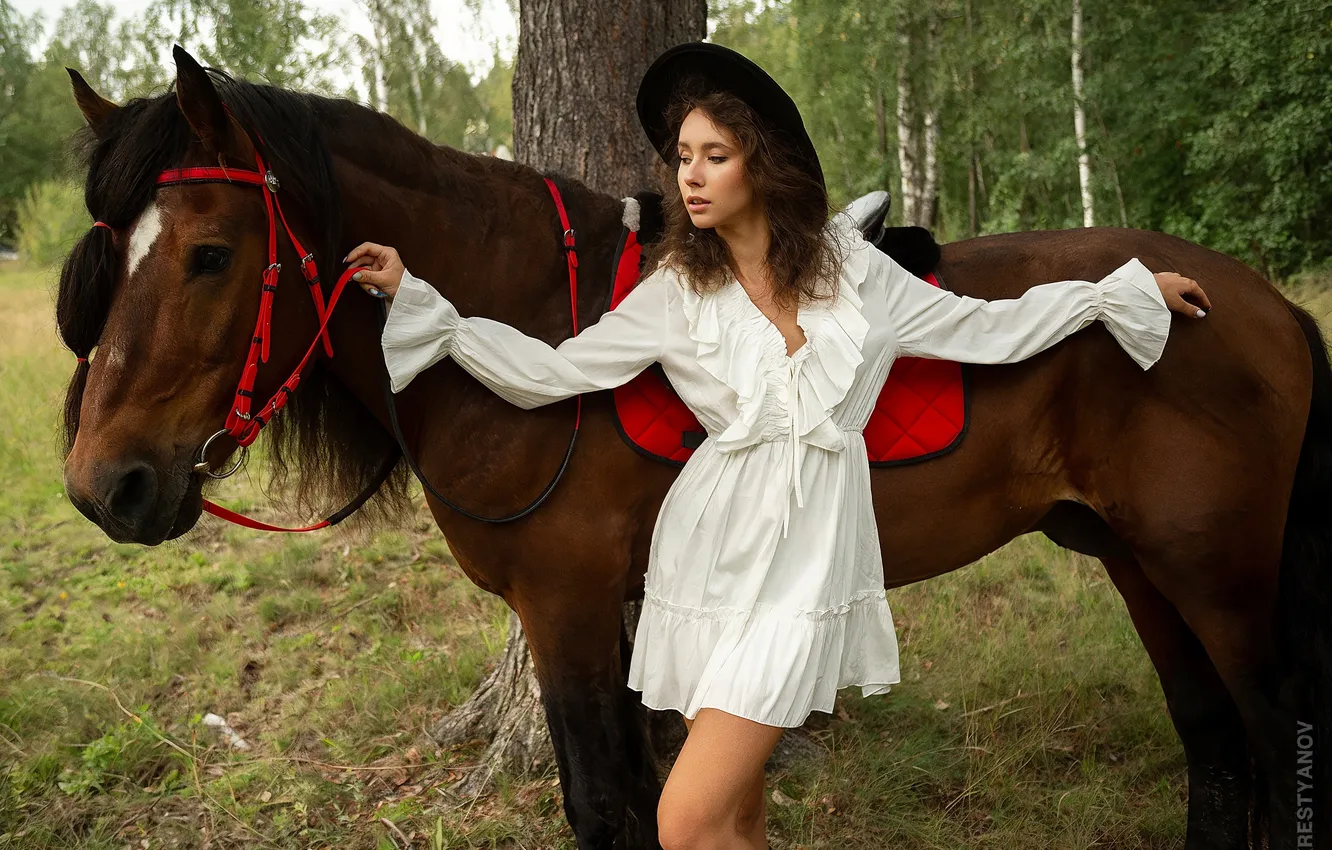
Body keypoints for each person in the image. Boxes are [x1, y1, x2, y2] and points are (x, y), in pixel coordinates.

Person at [346, 41, 1211, 850]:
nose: (691, 175)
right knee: (732, 820)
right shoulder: (676, 291)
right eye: (681, 157)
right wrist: (425, 304)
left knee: (682, 821)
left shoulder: (854, 270)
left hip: (811, 557)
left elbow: (985, 328)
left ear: (760, 161)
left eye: (713, 155)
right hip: (711, 556)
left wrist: (1112, 295)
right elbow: (552, 371)